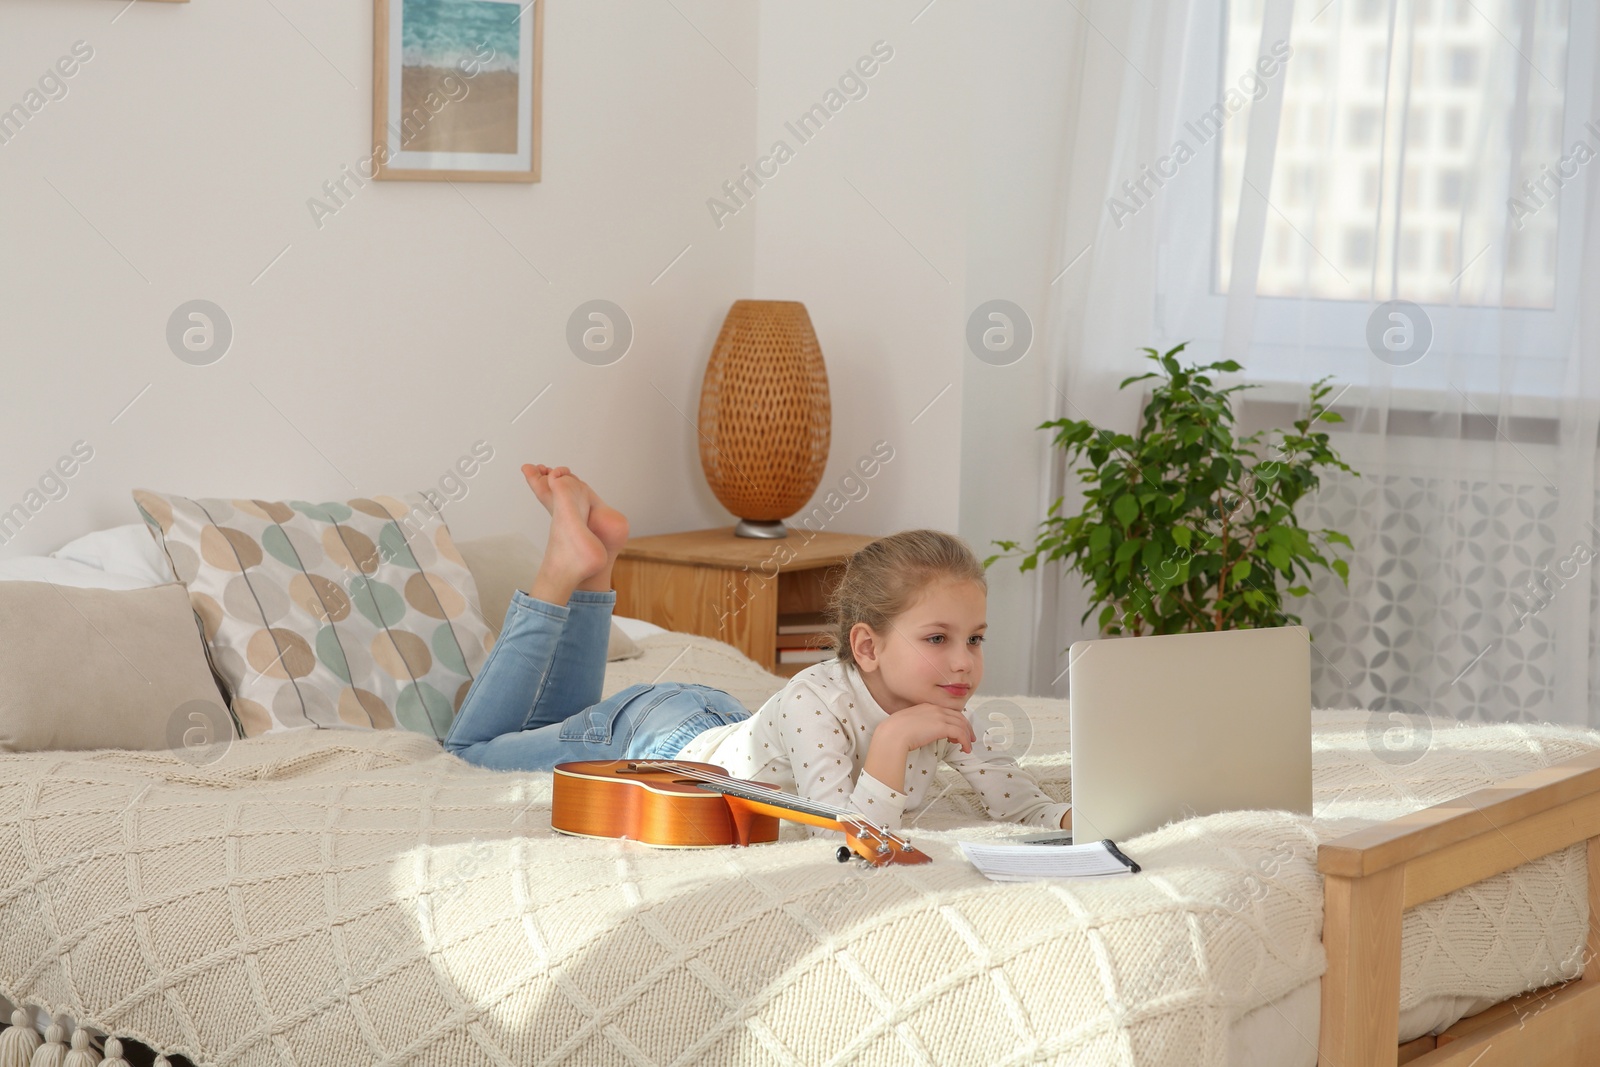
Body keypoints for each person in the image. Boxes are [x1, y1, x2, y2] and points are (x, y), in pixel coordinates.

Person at [444, 464, 1072, 833]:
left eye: (975, 639)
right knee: (467, 751)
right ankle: (564, 572)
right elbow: (844, 839)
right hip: (651, 740)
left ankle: (597, 560)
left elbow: (1019, 803)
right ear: (868, 647)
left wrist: (1074, 822)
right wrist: (889, 742)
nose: (964, 661)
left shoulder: (945, 701)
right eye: (938, 639)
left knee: (550, 726)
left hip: (717, 720)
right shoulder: (814, 703)